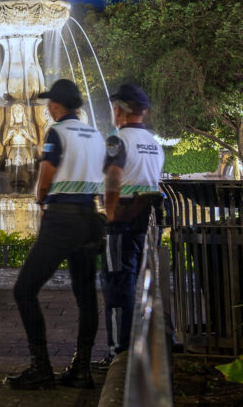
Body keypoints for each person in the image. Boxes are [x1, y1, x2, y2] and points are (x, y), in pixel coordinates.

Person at [7, 79, 106, 391]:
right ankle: (81, 369)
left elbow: (46, 176)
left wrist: (40, 201)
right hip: (90, 218)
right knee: (86, 294)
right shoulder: (95, 134)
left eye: (50, 103)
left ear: (56, 105)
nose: (47, 107)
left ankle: (41, 367)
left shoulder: (57, 132)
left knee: (24, 289)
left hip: (62, 219)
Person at [101, 83, 165, 366]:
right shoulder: (154, 142)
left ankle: (119, 351)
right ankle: (140, 346)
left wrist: (110, 211)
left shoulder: (117, 140)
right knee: (141, 284)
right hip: (148, 220)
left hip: (123, 220)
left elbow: (114, 176)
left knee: (117, 286)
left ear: (119, 110)